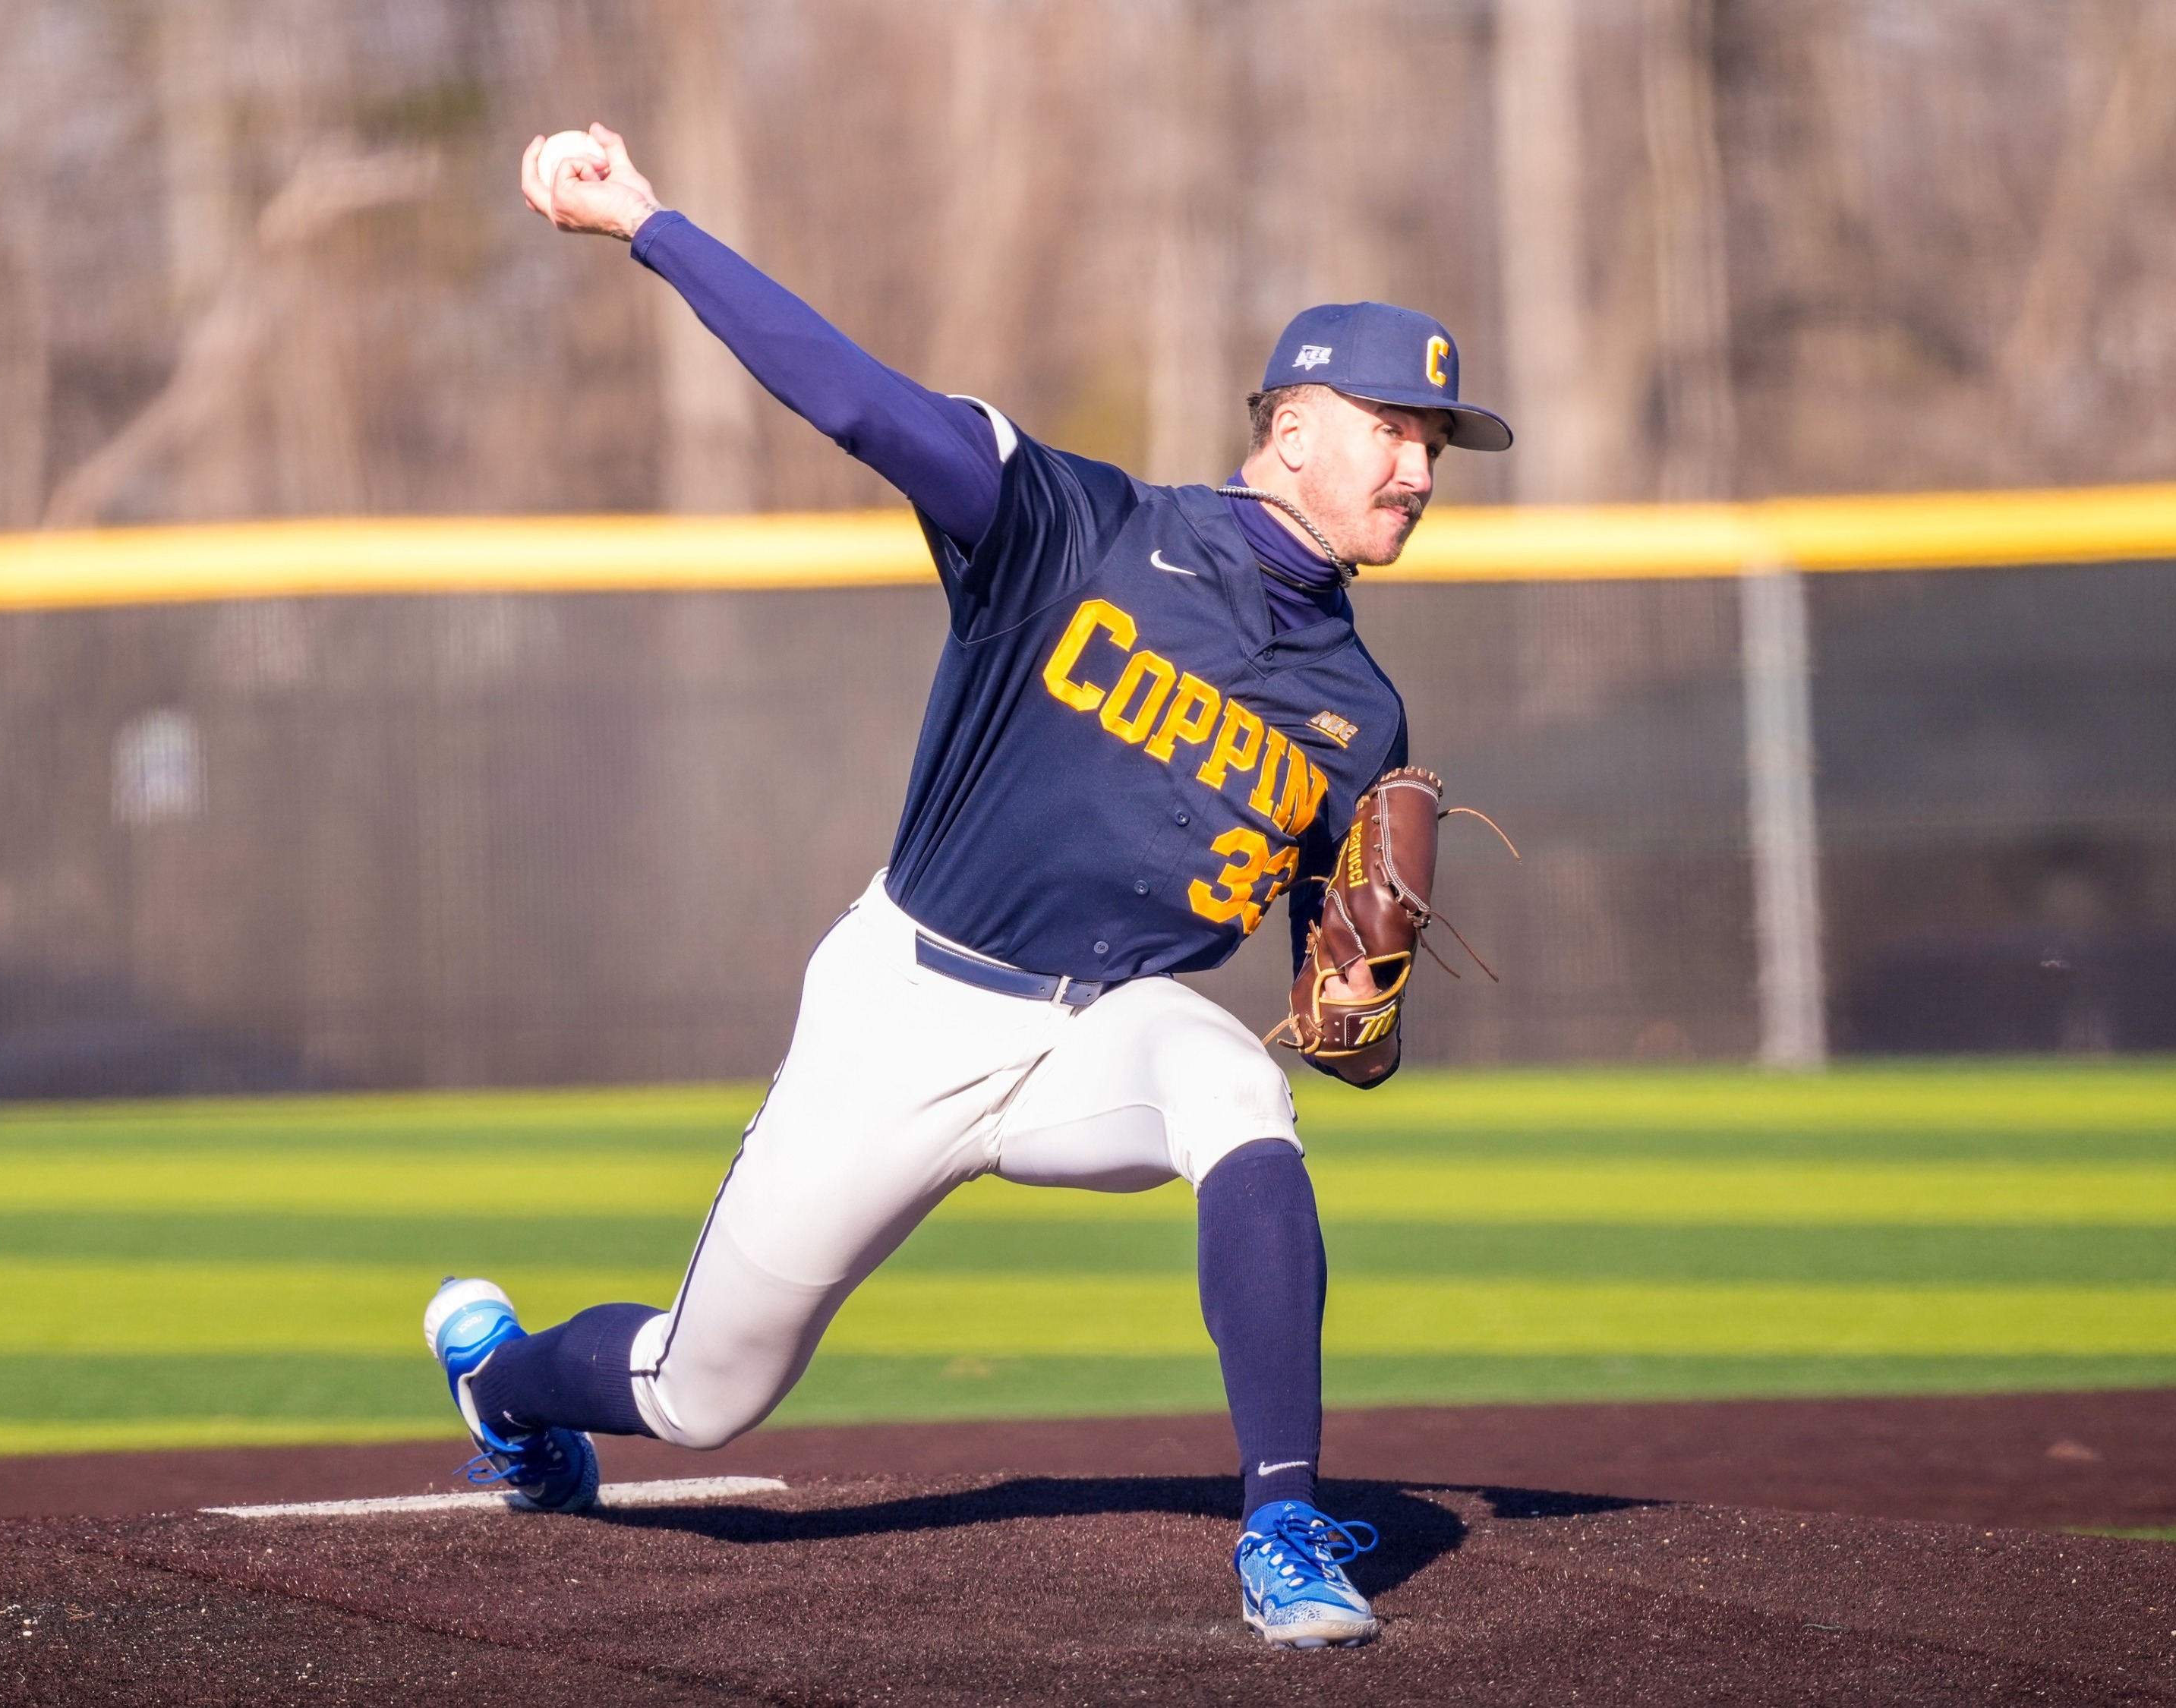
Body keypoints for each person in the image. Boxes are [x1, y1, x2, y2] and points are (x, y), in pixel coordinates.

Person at [421, 122, 1512, 1651]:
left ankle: (1282, 1523)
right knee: (701, 1390)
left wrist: (1358, 1025)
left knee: (1238, 1106)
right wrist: (649, 225)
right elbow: (859, 400)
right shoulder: (1075, 528)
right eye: (1395, 430)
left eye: (1436, 445)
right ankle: (504, 1382)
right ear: (1290, 431)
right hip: (909, 1010)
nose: (1419, 470)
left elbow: (1326, 998)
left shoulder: (1360, 714)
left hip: (1102, 1034)